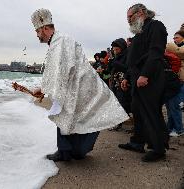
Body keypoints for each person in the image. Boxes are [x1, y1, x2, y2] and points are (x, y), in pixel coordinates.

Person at [31, 8, 129, 162]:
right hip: (74, 85)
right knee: (73, 118)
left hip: (77, 86)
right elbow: (56, 70)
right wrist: (45, 89)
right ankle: (72, 151)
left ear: (45, 28)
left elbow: (62, 69)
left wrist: (44, 89)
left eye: (37, 31)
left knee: (67, 115)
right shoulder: (57, 41)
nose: (36, 35)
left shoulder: (61, 41)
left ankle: (66, 152)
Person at [119, 4, 169, 162]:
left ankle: (158, 148)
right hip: (136, 77)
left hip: (150, 77)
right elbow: (132, 60)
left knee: (151, 111)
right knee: (137, 110)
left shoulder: (156, 26)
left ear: (141, 13)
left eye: (130, 17)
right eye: (127, 18)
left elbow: (156, 52)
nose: (128, 21)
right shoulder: (139, 33)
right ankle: (137, 142)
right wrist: (127, 77)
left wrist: (145, 74)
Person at [108, 38, 131, 131]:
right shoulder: (116, 57)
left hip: (124, 83)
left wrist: (115, 63)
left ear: (122, 47)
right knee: (117, 103)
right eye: (114, 49)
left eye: (117, 49)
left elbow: (127, 68)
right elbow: (111, 70)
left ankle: (119, 123)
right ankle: (118, 122)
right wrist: (110, 63)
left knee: (123, 103)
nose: (115, 51)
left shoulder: (127, 55)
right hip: (115, 83)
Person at [165, 30, 184, 137]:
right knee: (170, 105)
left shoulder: (178, 49)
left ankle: (179, 129)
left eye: (176, 37)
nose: (174, 39)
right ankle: (170, 128)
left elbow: (180, 52)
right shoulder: (175, 49)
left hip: (181, 81)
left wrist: (169, 47)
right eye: (174, 37)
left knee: (175, 106)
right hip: (173, 81)